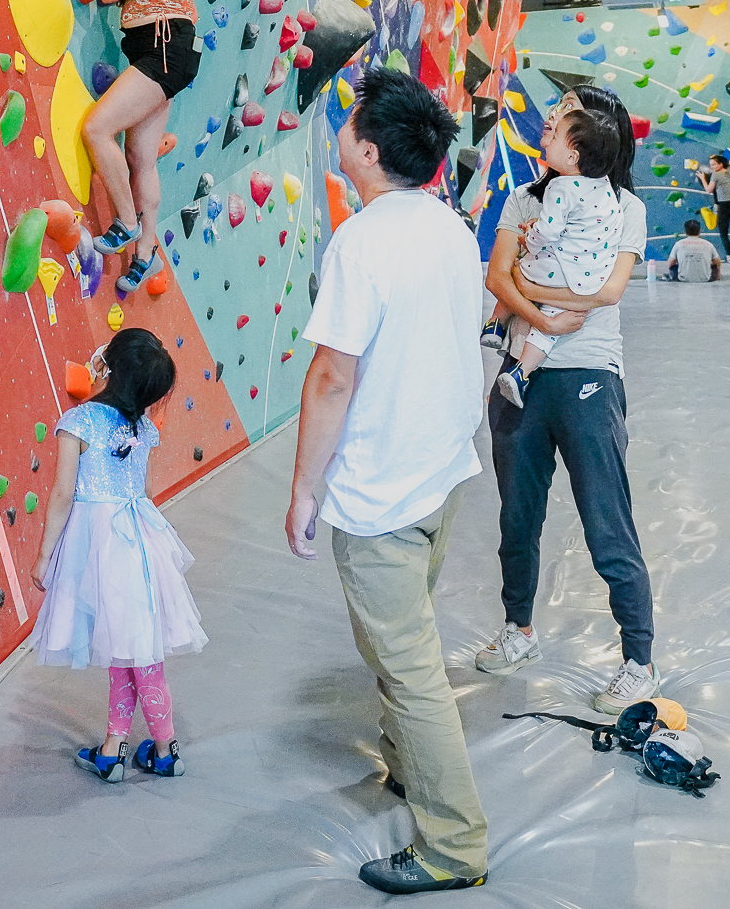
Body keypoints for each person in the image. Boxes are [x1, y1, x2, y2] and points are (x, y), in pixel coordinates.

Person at [288, 69, 489, 895]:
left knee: (409, 666)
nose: (340, 130)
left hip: (384, 492)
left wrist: (304, 488)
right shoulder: (447, 226)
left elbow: (332, 375)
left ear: (366, 152)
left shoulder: (362, 242)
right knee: (400, 639)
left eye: (349, 124)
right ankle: (408, 763)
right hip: (440, 473)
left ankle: (455, 848)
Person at [480, 84, 657, 721]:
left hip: (589, 379)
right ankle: (518, 630)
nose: (550, 124)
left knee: (608, 525)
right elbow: (498, 277)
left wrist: (545, 303)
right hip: (520, 375)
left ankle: (639, 660)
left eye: (562, 119)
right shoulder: (525, 197)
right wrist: (543, 320)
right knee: (516, 518)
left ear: (589, 142)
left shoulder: (625, 207)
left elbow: (609, 293)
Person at [33, 327, 206, 783]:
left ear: (108, 366)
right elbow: (146, 493)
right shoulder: (143, 428)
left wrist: (44, 557)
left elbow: (62, 496)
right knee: (136, 650)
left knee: (125, 652)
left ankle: (134, 749)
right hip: (141, 544)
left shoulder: (78, 422)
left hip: (100, 549)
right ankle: (142, 747)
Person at [84, 0, 196, 289]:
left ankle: (127, 222)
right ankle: (145, 252)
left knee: (96, 128)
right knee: (141, 158)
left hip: (161, 52)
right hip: (170, 52)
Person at [489, 103, 626, 404]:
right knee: (548, 320)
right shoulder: (605, 194)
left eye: (566, 114)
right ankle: (520, 372)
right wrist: (546, 322)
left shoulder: (561, 188)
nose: (552, 116)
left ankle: (496, 322)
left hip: (588, 363)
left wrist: (531, 242)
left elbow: (545, 235)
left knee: (523, 266)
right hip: (583, 280)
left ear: (575, 153)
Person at [700, 150, 730, 260]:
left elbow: (708, 189)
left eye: (713, 164)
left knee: (723, 232)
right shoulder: (729, 169)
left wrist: (702, 178)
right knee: (717, 190)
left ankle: (729, 255)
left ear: (720, 164)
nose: (712, 167)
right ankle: (716, 205)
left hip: (725, 206)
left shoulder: (716, 175)